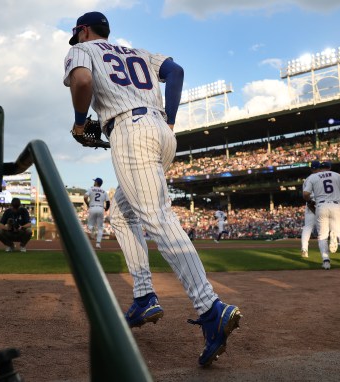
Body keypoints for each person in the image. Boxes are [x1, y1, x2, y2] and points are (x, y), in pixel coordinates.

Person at [63, 11, 241, 367]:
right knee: (122, 215)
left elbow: (82, 82)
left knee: (158, 217)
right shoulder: (139, 52)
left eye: (77, 34)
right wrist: (170, 119)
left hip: (130, 131)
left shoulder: (83, 50)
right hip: (161, 132)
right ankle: (144, 295)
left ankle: (210, 308)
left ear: (83, 31)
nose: (76, 39)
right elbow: (176, 71)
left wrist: (81, 123)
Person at [302, 161, 340, 270]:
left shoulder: (313, 177)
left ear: (320, 168)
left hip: (321, 206)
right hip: (336, 205)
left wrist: (309, 201)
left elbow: (305, 194)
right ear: (329, 167)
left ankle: (326, 261)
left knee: (322, 236)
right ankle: (335, 238)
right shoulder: (337, 175)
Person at [300, 160, 321, 258]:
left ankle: (304, 249)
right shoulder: (321, 177)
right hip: (321, 203)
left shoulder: (307, 179)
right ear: (319, 168)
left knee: (307, 227)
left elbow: (305, 194)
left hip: (310, 203)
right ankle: (325, 250)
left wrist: (309, 202)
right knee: (325, 226)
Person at [84, 177, 110, 249]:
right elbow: (108, 202)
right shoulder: (104, 191)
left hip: (92, 207)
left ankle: (92, 229)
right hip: (101, 208)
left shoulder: (91, 189)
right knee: (100, 228)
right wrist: (106, 209)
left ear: (96, 182)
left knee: (89, 226)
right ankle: (98, 244)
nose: (94, 182)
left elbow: (85, 197)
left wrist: (87, 204)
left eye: (95, 181)